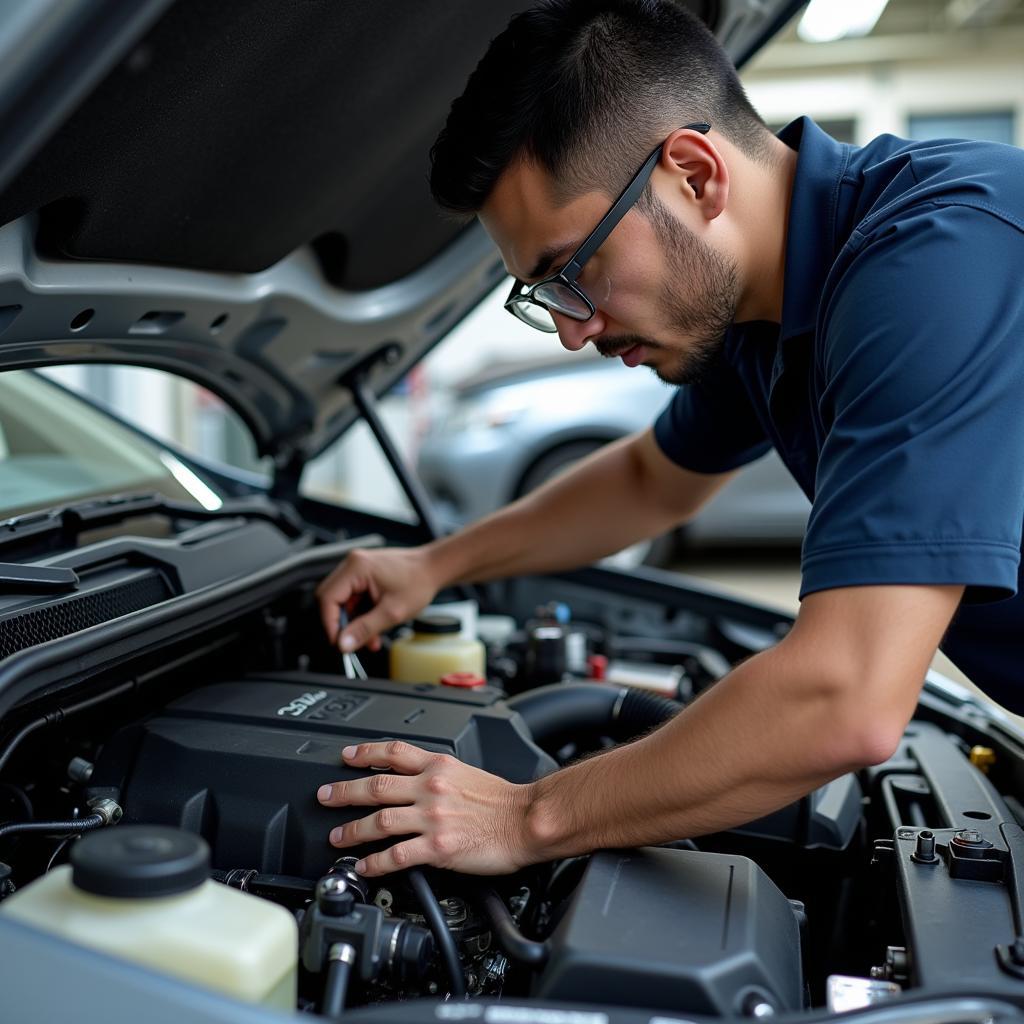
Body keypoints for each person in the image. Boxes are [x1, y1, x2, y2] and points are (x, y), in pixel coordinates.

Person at [313, 0, 1024, 878]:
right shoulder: (758, 308)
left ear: (694, 175)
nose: (573, 330)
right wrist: (432, 566)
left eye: (571, 272)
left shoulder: (935, 260)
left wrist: (527, 816)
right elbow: (654, 481)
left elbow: (848, 699)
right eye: (541, 296)